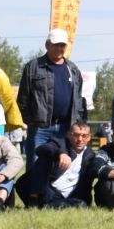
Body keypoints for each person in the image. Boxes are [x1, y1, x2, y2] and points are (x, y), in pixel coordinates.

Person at [17, 28, 85, 162]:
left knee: (62, 170)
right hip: (40, 129)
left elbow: (79, 101)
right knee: (36, 169)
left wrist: (77, 124)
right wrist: (32, 122)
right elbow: (23, 100)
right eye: (55, 45)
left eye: (62, 45)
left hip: (67, 129)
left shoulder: (73, 69)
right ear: (47, 45)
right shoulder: (33, 67)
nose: (59, 48)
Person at [35, 120, 101, 209]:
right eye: (76, 135)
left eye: (84, 136)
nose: (80, 139)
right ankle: (41, 200)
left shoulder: (91, 155)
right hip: (51, 191)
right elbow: (41, 149)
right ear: (68, 135)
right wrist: (60, 153)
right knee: (43, 160)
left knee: (81, 205)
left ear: (89, 137)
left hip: (74, 196)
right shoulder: (60, 143)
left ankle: (57, 205)